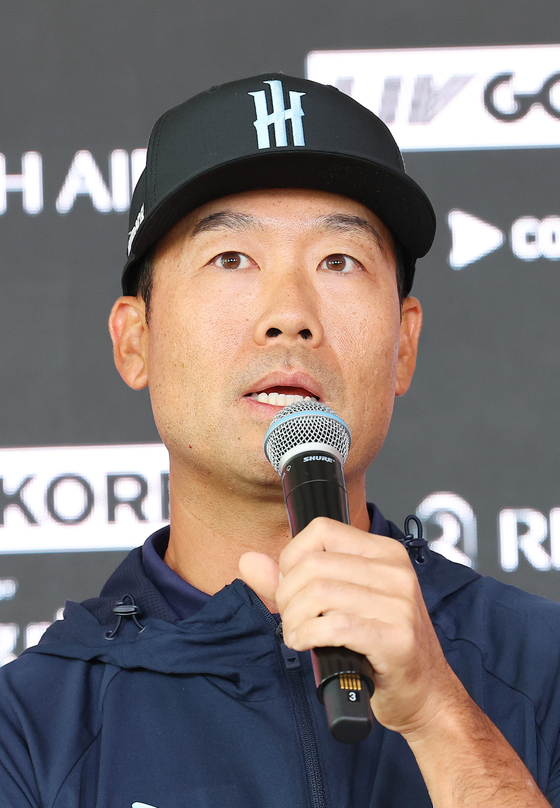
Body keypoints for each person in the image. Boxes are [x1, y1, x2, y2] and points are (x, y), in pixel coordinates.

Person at [0, 73, 559, 808]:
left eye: (339, 261)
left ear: (404, 346)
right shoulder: (32, 723)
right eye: (231, 259)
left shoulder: (541, 662)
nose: (289, 315)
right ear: (136, 340)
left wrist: (439, 716)